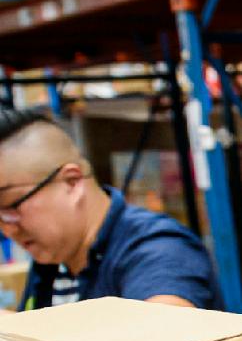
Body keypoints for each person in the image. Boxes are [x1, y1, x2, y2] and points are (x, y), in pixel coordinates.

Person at [0, 108, 222, 310]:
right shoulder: (53, 262)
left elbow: (165, 332)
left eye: (11, 206)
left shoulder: (158, 249)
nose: (8, 230)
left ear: (71, 182)